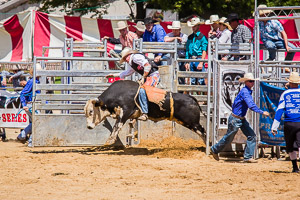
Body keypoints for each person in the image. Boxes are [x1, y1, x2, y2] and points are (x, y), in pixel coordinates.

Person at [210, 73, 270, 162]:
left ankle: (248, 157)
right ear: (246, 82)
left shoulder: (246, 91)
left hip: (239, 118)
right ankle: (214, 149)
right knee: (229, 138)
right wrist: (261, 112)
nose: (252, 83)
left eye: (253, 81)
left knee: (251, 136)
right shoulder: (245, 91)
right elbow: (251, 105)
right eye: (250, 81)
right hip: (236, 119)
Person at [106, 48, 160, 121]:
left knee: (142, 91)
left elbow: (147, 65)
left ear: (129, 55)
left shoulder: (135, 57)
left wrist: (143, 77)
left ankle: (145, 113)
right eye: (124, 59)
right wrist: (114, 75)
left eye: (125, 57)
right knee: (138, 91)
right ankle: (139, 111)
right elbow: (127, 72)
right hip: (148, 76)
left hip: (153, 75)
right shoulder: (132, 62)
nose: (126, 60)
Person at [271, 72, 300, 173]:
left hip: (289, 123)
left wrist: (274, 126)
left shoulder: (285, 94)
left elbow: (279, 111)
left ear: (290, 83)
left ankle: (295, 167)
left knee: (290, 146)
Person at [16, 64, 42, 147]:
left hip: (34, 105)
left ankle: (22, 135)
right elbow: (23, 94)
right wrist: (24, 105)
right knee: (38, 122)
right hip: (31, 105)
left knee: (35, 122)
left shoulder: (36, 81)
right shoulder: (32, 82)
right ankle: (30, 141)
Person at [185, 17, 208, 85]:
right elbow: (187, 50)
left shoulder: (202, 37)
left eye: (195, 26)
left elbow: (204, 50)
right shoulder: (190, 37)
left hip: (199, 58)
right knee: (192, 80)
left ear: (198, 26)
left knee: (201, 80)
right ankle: (193, 95)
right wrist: (187, 62)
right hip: (192, 59)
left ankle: (201, 94)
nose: (193, 27)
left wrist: (201, 62)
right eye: (192, 26)